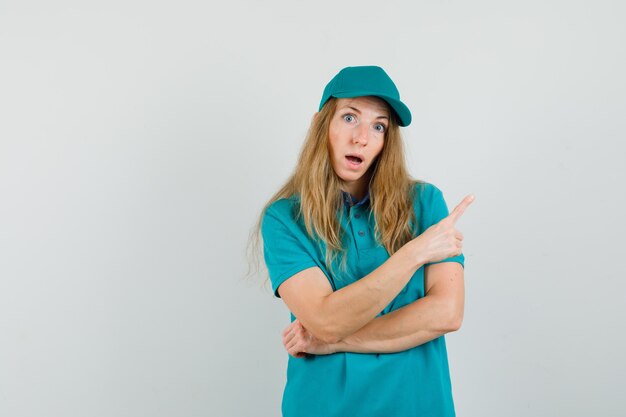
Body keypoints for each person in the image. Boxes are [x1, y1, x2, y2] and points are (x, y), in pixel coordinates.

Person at [252, 65, 474, 417]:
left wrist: (332, 342)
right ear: (321, 124)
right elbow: (325, 319)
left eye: (378, 126)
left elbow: (446, 314)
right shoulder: (284, 219)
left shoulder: (426, 203)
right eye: (350, 117)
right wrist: (415, 253)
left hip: (418, 406)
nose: (362, 138)